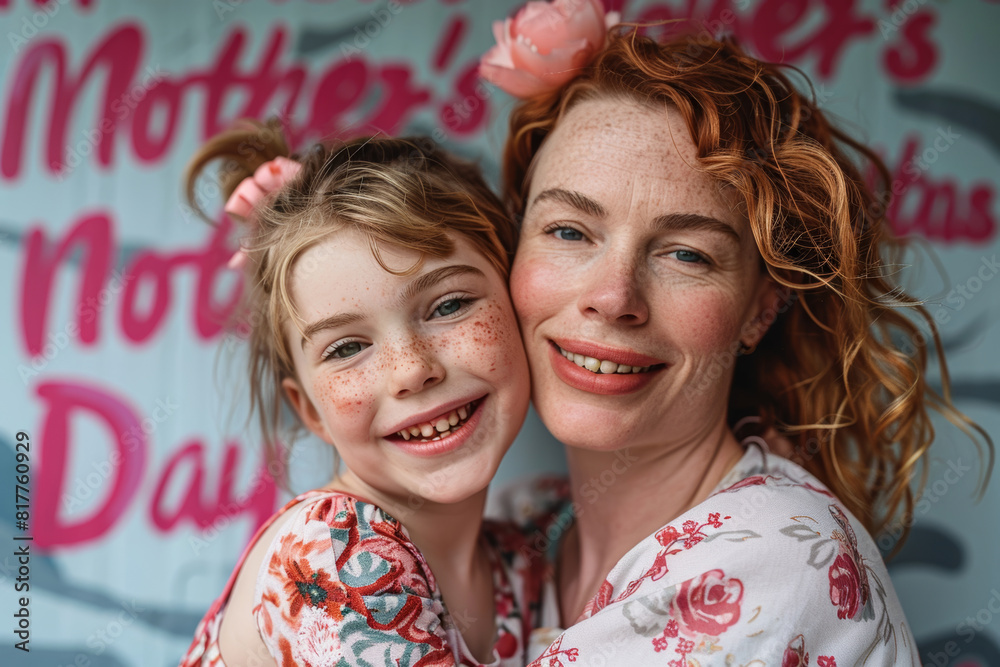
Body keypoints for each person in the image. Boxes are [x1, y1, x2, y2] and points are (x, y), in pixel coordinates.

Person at [480, 2, 993, 665]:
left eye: (687, 254)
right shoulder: (530, 525)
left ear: (760, 307)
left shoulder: (775, 558)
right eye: (570, 232)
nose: (613, 297)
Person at [178, 122, 540, 666]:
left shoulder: (520, 560)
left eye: (448, 306)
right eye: (346, 348)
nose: (411, 371)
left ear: (519, 302)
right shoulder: (332, 553)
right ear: (309, 411)